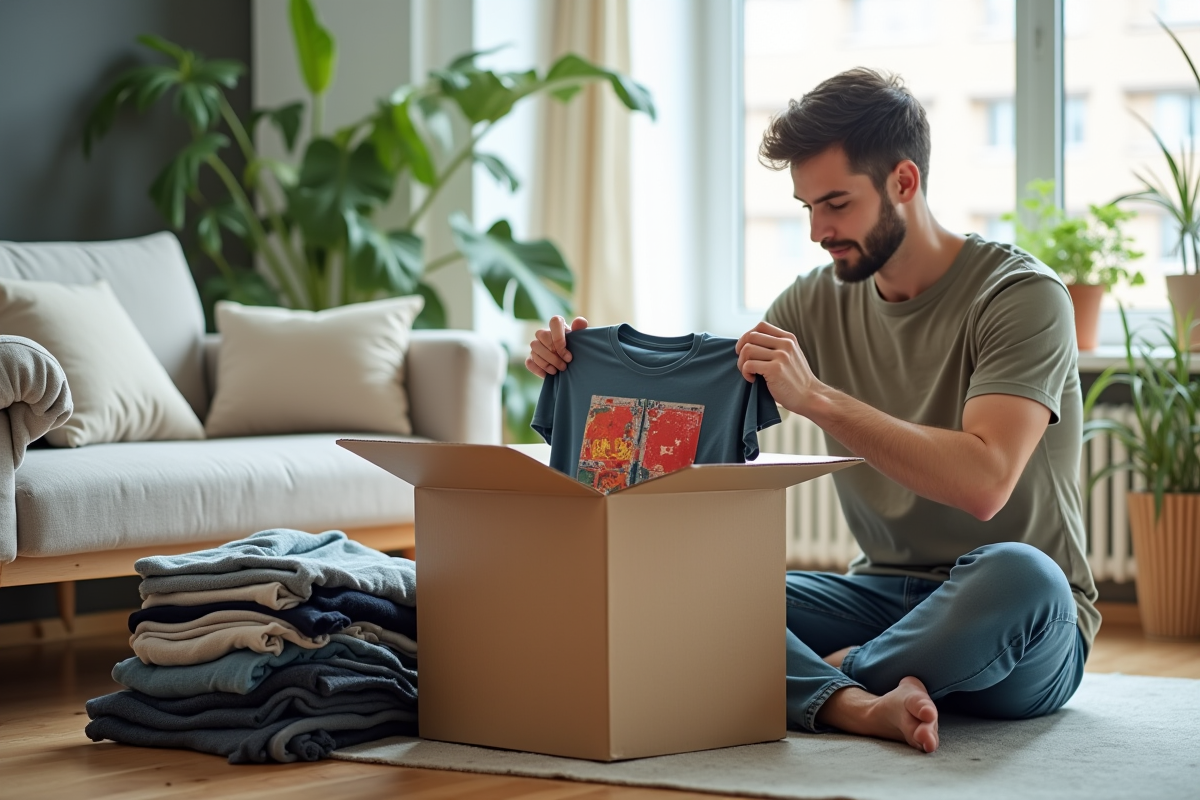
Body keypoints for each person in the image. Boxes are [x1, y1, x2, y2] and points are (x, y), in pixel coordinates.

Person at [525, 68, 1099, 755]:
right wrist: (584, 364)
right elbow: (685, 405)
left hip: (1016, 617)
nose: (818, 231)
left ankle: (833, 680)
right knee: (684, 590)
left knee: (1022, 576)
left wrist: (817, 399)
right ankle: (864, 706)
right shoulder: (811, 303)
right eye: (806, 208)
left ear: (904, 183)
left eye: (836, 204)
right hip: (878, 594)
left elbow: (984, 481)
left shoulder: (1021, 296)